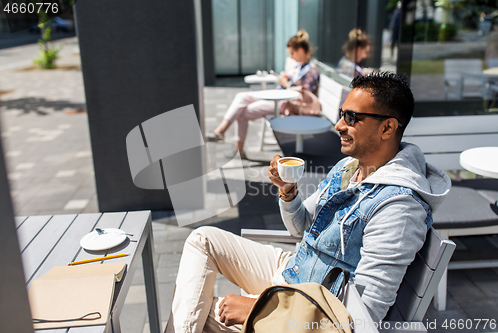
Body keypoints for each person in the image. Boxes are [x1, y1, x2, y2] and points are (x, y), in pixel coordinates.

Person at [165, 72, 451, 333]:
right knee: (203, 239)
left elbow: (361, 316)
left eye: (351, 117)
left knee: (196, 311)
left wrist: (260, 309)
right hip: (297, 269)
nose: (339, 125)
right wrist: (288, 192)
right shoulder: (349, 167)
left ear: (387, 128)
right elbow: (301, 229)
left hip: (307, 306)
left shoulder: (399, 207)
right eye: (341, 114)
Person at [205, 30, 320, 159]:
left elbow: (305, 94)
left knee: (241, 112)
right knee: (241, 97)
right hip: (280, 97)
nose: (292, 57)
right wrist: (286, 79)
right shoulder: (300, 66)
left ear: (300, 50)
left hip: (286, 103)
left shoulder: (311, 69)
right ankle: (221, 131)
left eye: (292, 53)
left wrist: (286, 84)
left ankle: (231, 142)